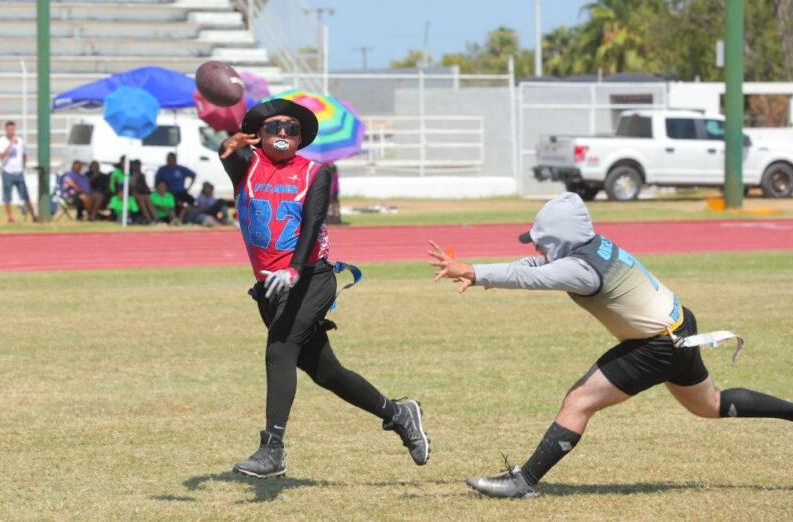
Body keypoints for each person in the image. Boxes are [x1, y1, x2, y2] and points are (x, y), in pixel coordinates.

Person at [426, 192, 793, 499]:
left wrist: (474, 271)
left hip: (658, 344)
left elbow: (529, 275)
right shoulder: (593, 246)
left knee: (578, 401)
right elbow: (534, 264)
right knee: (710, 404)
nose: (536, 244)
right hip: (680, 325)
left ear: (561, 241)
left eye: (542, 239)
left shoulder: (580, 270)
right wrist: (477, 272)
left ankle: (523, 483)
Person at [219, 98, 429, 479]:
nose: (283, 133)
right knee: (327, 372)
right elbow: (228, 150)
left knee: (279, 349)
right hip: (269, 286)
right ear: (258, 135)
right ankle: (398, 414)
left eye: (291, 129)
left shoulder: (315, 172)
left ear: (300, 139)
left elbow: (313, 224)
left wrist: (296, 270)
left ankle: (272, 451)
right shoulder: (247, 168)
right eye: (274, 127)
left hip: (310, 277)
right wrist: (227, 146)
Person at [0, 121, 37, 223]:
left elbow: (24, 154)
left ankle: (33, 216)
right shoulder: (1, 141)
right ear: (6, 130)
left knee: (25, 195)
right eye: (9, 130)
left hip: (18, 172)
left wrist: (23, 166)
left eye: (13, 129)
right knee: (7, 196)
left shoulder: (20, 141)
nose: (11, 132)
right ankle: (10, 217)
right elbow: (1, 156)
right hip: (7, 172)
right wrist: (10, 145)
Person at [128, 159, 158, 224]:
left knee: (147, 197)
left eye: (138, 166)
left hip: (142, 194)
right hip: (132, 194)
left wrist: (150, 191)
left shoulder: (142, 175)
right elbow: (132, 187)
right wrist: (135, 176)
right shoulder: (129, 174)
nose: (137, 167)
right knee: (142, 198)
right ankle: (149, 219)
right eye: (135, 166)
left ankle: (156, 219)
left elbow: (146, 188)